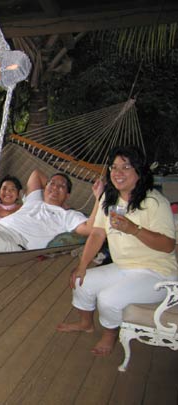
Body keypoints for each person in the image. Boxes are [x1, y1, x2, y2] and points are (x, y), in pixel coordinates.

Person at [56, 145, 178, 356]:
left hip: (158, 273)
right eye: (113, 167)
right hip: (124, 266)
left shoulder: (155, 202)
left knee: (108, 299)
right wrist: (82, 266)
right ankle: (86, 323)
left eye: (125, 167)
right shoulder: (109, 200)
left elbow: (168, 246)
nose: (117, 173)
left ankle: (110, 334)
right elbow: (96, 234)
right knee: (79, 280)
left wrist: (134, 229)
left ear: (139, 171)